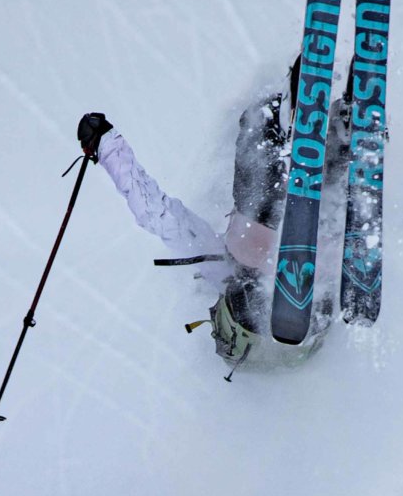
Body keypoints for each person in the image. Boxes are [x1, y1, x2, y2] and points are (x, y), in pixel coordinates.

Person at [76, 87, 341, 367]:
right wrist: (105, 145)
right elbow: (157, 214)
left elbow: (158, 214)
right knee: (265, 142)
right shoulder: (227, 273)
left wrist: (106, 146)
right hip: (286, 211)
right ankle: (307, 120)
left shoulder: (224, 272)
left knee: (268, 148)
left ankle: (306, 121)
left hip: (289, 215)